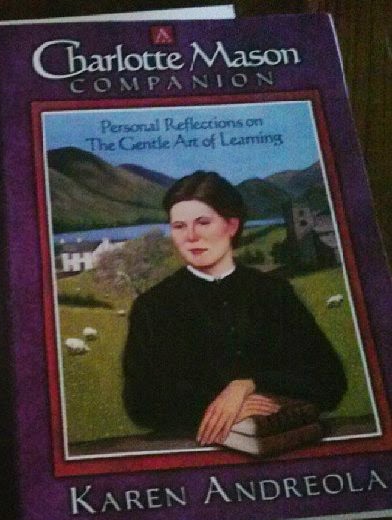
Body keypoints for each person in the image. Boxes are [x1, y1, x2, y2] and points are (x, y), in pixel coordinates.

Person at [122, 171, 347, 447]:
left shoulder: (274, 293)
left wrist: (248, 384)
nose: (191, 236)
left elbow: (331, 382)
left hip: (278, 447)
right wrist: (223, 405)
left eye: (203, 222)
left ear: (231, 225)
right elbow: (141, 405)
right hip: (189, 451)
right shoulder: (152, 306)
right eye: (179, 226)